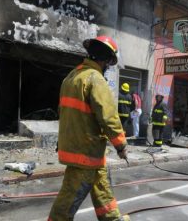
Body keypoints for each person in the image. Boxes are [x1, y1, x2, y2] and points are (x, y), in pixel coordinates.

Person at [48, 36, 130, 221]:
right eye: (109, 62)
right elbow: (108, 117)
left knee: (102, 191)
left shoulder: (71, 77)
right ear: (106, 60)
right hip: (85, 152)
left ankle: (112, 219)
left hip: (83, 150)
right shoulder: (95, 79)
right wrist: (121, 146)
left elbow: (66, 114)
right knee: (68, 199)